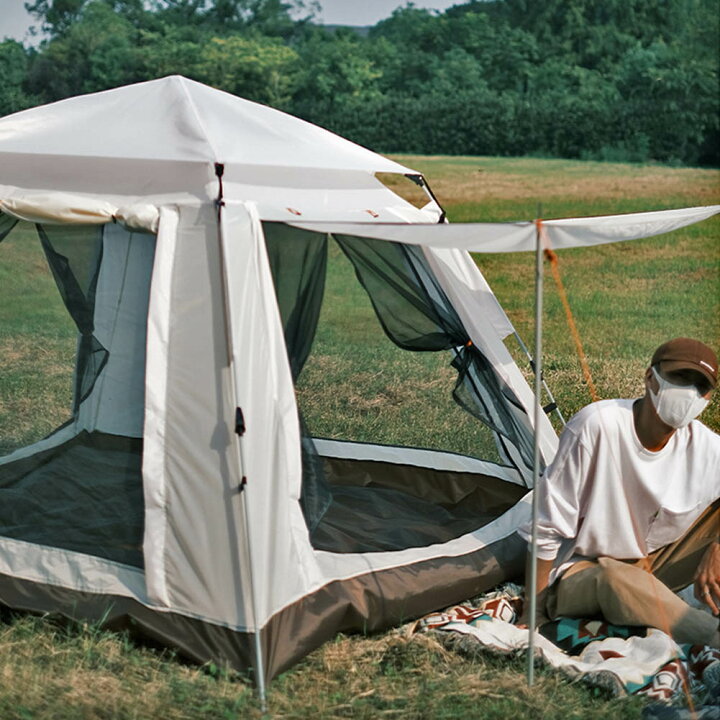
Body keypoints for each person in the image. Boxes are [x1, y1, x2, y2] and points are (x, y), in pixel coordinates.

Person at [518, 337, 720, 648]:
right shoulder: (597, 425)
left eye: (699, 386)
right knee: (617, 580)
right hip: (583, 571)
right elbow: (546, 524)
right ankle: (710, 636)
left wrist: (716, 547)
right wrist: (534, 609)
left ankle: (672, 604)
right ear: (650, 377)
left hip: (653, 561)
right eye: (680, 378)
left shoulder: (705, 446)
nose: (689, 393)